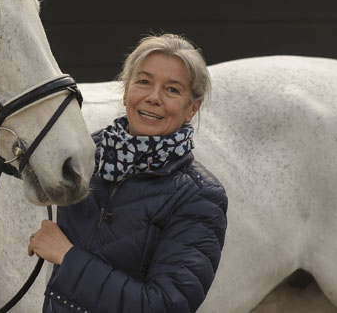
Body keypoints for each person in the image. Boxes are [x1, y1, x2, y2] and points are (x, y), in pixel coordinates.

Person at [28, 33, 228, 313]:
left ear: (192, 108)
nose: (153, 97)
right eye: (144, 82)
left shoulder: (199, 197)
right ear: (126, 91)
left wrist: (66, 256)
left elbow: (165, 305)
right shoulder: (86, 156)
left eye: (172, 90)